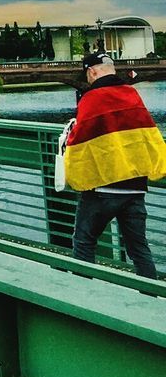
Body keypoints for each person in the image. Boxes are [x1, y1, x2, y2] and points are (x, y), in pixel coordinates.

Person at [65, 51, 166, 278]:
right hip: (135, 187)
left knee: (84, 241)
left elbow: (80, 141)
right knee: (139, 249)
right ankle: (150, 299)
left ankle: (85, 298)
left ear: (92, 72)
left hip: (103, 188)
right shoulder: (132, 94)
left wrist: (75, 174)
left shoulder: (91, 98)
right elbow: (148, 135)